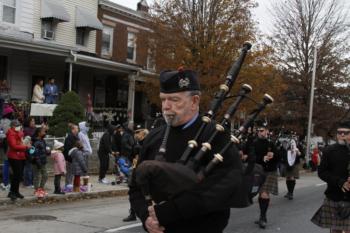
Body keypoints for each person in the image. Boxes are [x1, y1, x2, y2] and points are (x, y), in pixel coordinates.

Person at [129, 69, 243, 233]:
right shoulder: (154, 137)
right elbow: (136, 186)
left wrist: (172, 210)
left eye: (175, 100)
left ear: (194, 101)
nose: (166, 106)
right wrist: (145, 218)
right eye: (163, 99)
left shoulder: (215, 135)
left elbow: (226, 187)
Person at [311, 120, 350, 233]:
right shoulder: (329, 150)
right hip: (334, 195)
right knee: (335, 230)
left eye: (346, 133)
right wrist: (340, 182)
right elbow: (322, 172)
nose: (342, 135)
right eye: (339, 132)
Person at [249, 120, 278, 229]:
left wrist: (273, 155)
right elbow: (251, 157)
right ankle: (262, 215)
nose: (260, 132)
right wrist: (262, 158)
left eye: (262, 130)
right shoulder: (254, 143)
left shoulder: (271, 144)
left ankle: (263, 217)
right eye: (258, 131)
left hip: (270, 172)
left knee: (264, 194)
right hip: (258, 172)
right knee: (260, 194)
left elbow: (279, 157)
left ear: (267, 131)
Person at [123, 127, 149, 222]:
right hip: (135, 170)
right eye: (135, 133)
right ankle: (132, 213)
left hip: (144, 172)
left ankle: (148, 213)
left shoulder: (148, 143)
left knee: (145, 194)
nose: (136, 134)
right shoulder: (137, 144)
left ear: (143, 134)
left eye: (138, 132)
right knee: (133, 192)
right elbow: (132, 157)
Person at [6, 120, 31, 200]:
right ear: (12, 126)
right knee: (16, 175)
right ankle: (12, 192)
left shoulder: (18, 133)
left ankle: (16, 191)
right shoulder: (11, 133)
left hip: (20, 156)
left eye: (19, 125)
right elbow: (14, 146)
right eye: (17, 125)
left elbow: (20, 143)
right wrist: (25, 147)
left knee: (19, 175)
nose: (19, 127)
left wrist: (25, 144)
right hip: (14, 156)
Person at [31, 127, 49, 197]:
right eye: (43, 132)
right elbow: (33, 152)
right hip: (36, 162)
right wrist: (37, 160)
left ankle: (41, 188)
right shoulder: (35, 142)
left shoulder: (42, 140)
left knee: (45, 175)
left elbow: (43, 151)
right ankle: (36, 190)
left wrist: (47, 152)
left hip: (43, 161)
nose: (44, 133)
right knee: (37, 176)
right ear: (39, 133)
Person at [63, 123, 79, 190]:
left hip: (74, 158)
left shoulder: (75, 137)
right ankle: (67, 185)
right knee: (69, 172)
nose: (78, 130)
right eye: (77, 128)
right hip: (70, 158)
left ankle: (69, 184)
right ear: (73, 129)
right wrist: (67, 158)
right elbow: (67, 148)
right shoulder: (70, 137)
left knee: (71, 172)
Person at [23, 117, 36, 188]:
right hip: (28, 149)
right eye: (32, 121)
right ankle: (27, 182)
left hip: (33, 149)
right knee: (28, 166)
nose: (34, 122)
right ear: (29, 122)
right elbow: (32, 137)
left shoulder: (34, 129)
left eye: (34, 121)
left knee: (31, 166)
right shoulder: (26, 130)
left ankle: (31, 182)